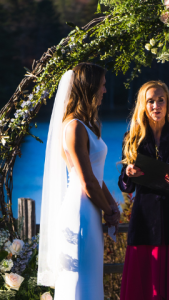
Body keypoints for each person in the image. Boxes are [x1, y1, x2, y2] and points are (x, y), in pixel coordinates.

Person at [37, 63, 120, 299]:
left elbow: (96, 177)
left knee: (89, 278)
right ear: (89, 87)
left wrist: (112, 204)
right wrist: (109, 211)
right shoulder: (74, 127)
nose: (105, 91)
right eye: (102, 86)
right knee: (78, 281)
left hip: (90, 209)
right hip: (81, 212)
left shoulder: (87, 125)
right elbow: (87, 182)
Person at [118, 80, 169, 300]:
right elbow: (125, 186)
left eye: (161, 100)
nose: (156, 105)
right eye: (151, 101)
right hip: (145, 222)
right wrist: (128, 174)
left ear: (168, 104)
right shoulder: (132, 139)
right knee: (145, 287)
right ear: (143, 106)